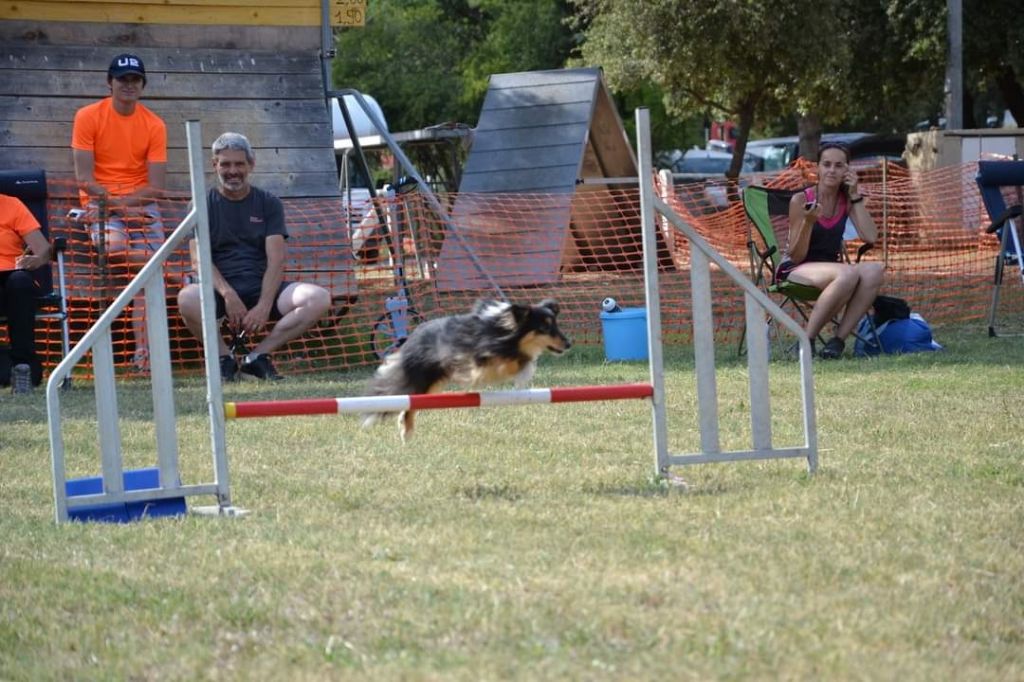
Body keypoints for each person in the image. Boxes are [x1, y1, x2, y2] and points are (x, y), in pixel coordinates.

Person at [176, 132, 332, 381]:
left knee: (319, 298)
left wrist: (263, 305)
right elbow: (199, 260)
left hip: (263, 287)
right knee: (186, 298)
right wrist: (228, 295)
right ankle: (224, 359)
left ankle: (256, 358)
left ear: (251, 165)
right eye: (225, 164)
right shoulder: (200, 204)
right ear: (214, 165)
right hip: (218, 291)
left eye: (239, 164)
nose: (232, 171)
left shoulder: (269, 203)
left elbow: (276, 260)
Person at [71, 53, 167, 371]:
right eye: (122, 79)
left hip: (141, 204)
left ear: (142, 85)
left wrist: (128, 209)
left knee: (144, 279)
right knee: (115, 248)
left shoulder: (154, 124)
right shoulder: (87, 116)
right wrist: (118, 209)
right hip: (99, 204)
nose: (128, 85)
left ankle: (144, 355)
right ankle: (172, 268)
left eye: (135, 79)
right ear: (109, 82)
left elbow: (155, 186)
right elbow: (84, 179)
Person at [778, 141, 885, 359]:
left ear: (847, 169)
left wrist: (855, 196)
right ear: (818, 167)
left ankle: (836, 342)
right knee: (847, 272)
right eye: (826, 164)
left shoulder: (847, 200)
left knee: (875, 269)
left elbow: (871, 237)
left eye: (839, 165)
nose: (832, 170)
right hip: (796, 269)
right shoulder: (801, 199)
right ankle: (806, 342)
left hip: (833, 271)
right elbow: (796, 254)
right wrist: (808, 223)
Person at [1, 193, 51, 394]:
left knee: (20, 282)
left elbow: (43, 249)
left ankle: (23, 367)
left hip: (12, 275)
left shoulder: (11, 204)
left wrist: (36, 260)